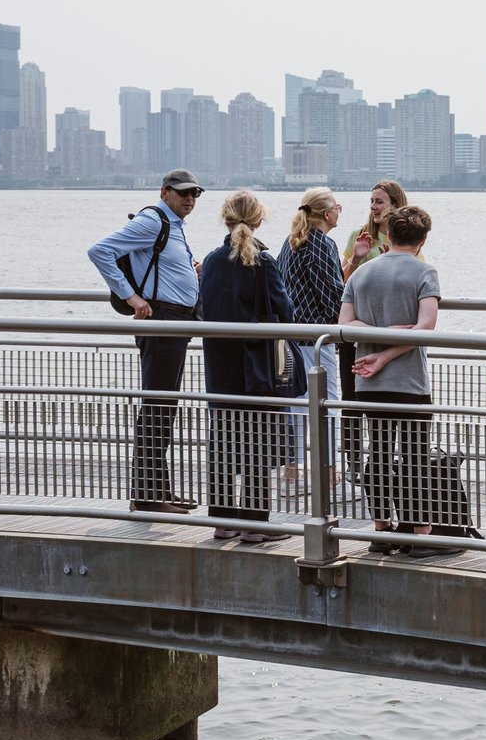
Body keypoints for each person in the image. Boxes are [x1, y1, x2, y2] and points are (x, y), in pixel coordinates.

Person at [339, 205, 470, 559]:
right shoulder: (424, 271)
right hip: (410, 381)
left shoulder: (362, 274)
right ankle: (420, 532)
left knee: (379, 454)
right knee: (414, 457)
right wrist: (390, 348)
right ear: (423, 238)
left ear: (390, 236)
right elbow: (425, 328)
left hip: (368, 382)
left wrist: (378, 349)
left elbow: (344, 326)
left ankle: (382, 530)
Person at [87, 168, 204, 513]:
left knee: (163, 407)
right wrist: (131, 297)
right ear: (164, 192)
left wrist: (190, 272)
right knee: (157, 406)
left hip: (175, 323)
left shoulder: (173, 226)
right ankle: (148, 496)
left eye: (195, 193)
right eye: (183, 192)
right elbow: (99, 251)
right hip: (162, 322)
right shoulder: (153, 221)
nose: (189, 199)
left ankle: (159, 491)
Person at [199, 190, 296, 542]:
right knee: (258, 438)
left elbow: (202, 310)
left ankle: (224, 521)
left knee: (225, 440)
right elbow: (285, 312)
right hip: (257, 367)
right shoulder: (264, 262)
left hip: (220, 365)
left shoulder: (211, 261)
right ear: (258, 220)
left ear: (226, 219)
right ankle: (256, 524)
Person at [339, 180, 412, 471]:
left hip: (393, 336)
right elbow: (340, 284)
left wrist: (391, 262)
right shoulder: (358, 235)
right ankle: (355, 463)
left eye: (380, 201)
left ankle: (387, 463)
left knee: (390, 400)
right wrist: (356, 259)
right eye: (372, 201)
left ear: (395, 205)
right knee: (352, 399)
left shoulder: (407, 238)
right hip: (358, 333)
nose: (374, 207)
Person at [278, 186, 346, 480]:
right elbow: (331, 293)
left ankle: (291, 471)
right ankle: (328, 472)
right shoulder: (321, 243)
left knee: (295, 405)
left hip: (290, 336)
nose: (339, 210)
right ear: (327, 213)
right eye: (337, 206)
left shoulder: (292, 241)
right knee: (326, 404)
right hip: (316, 338)